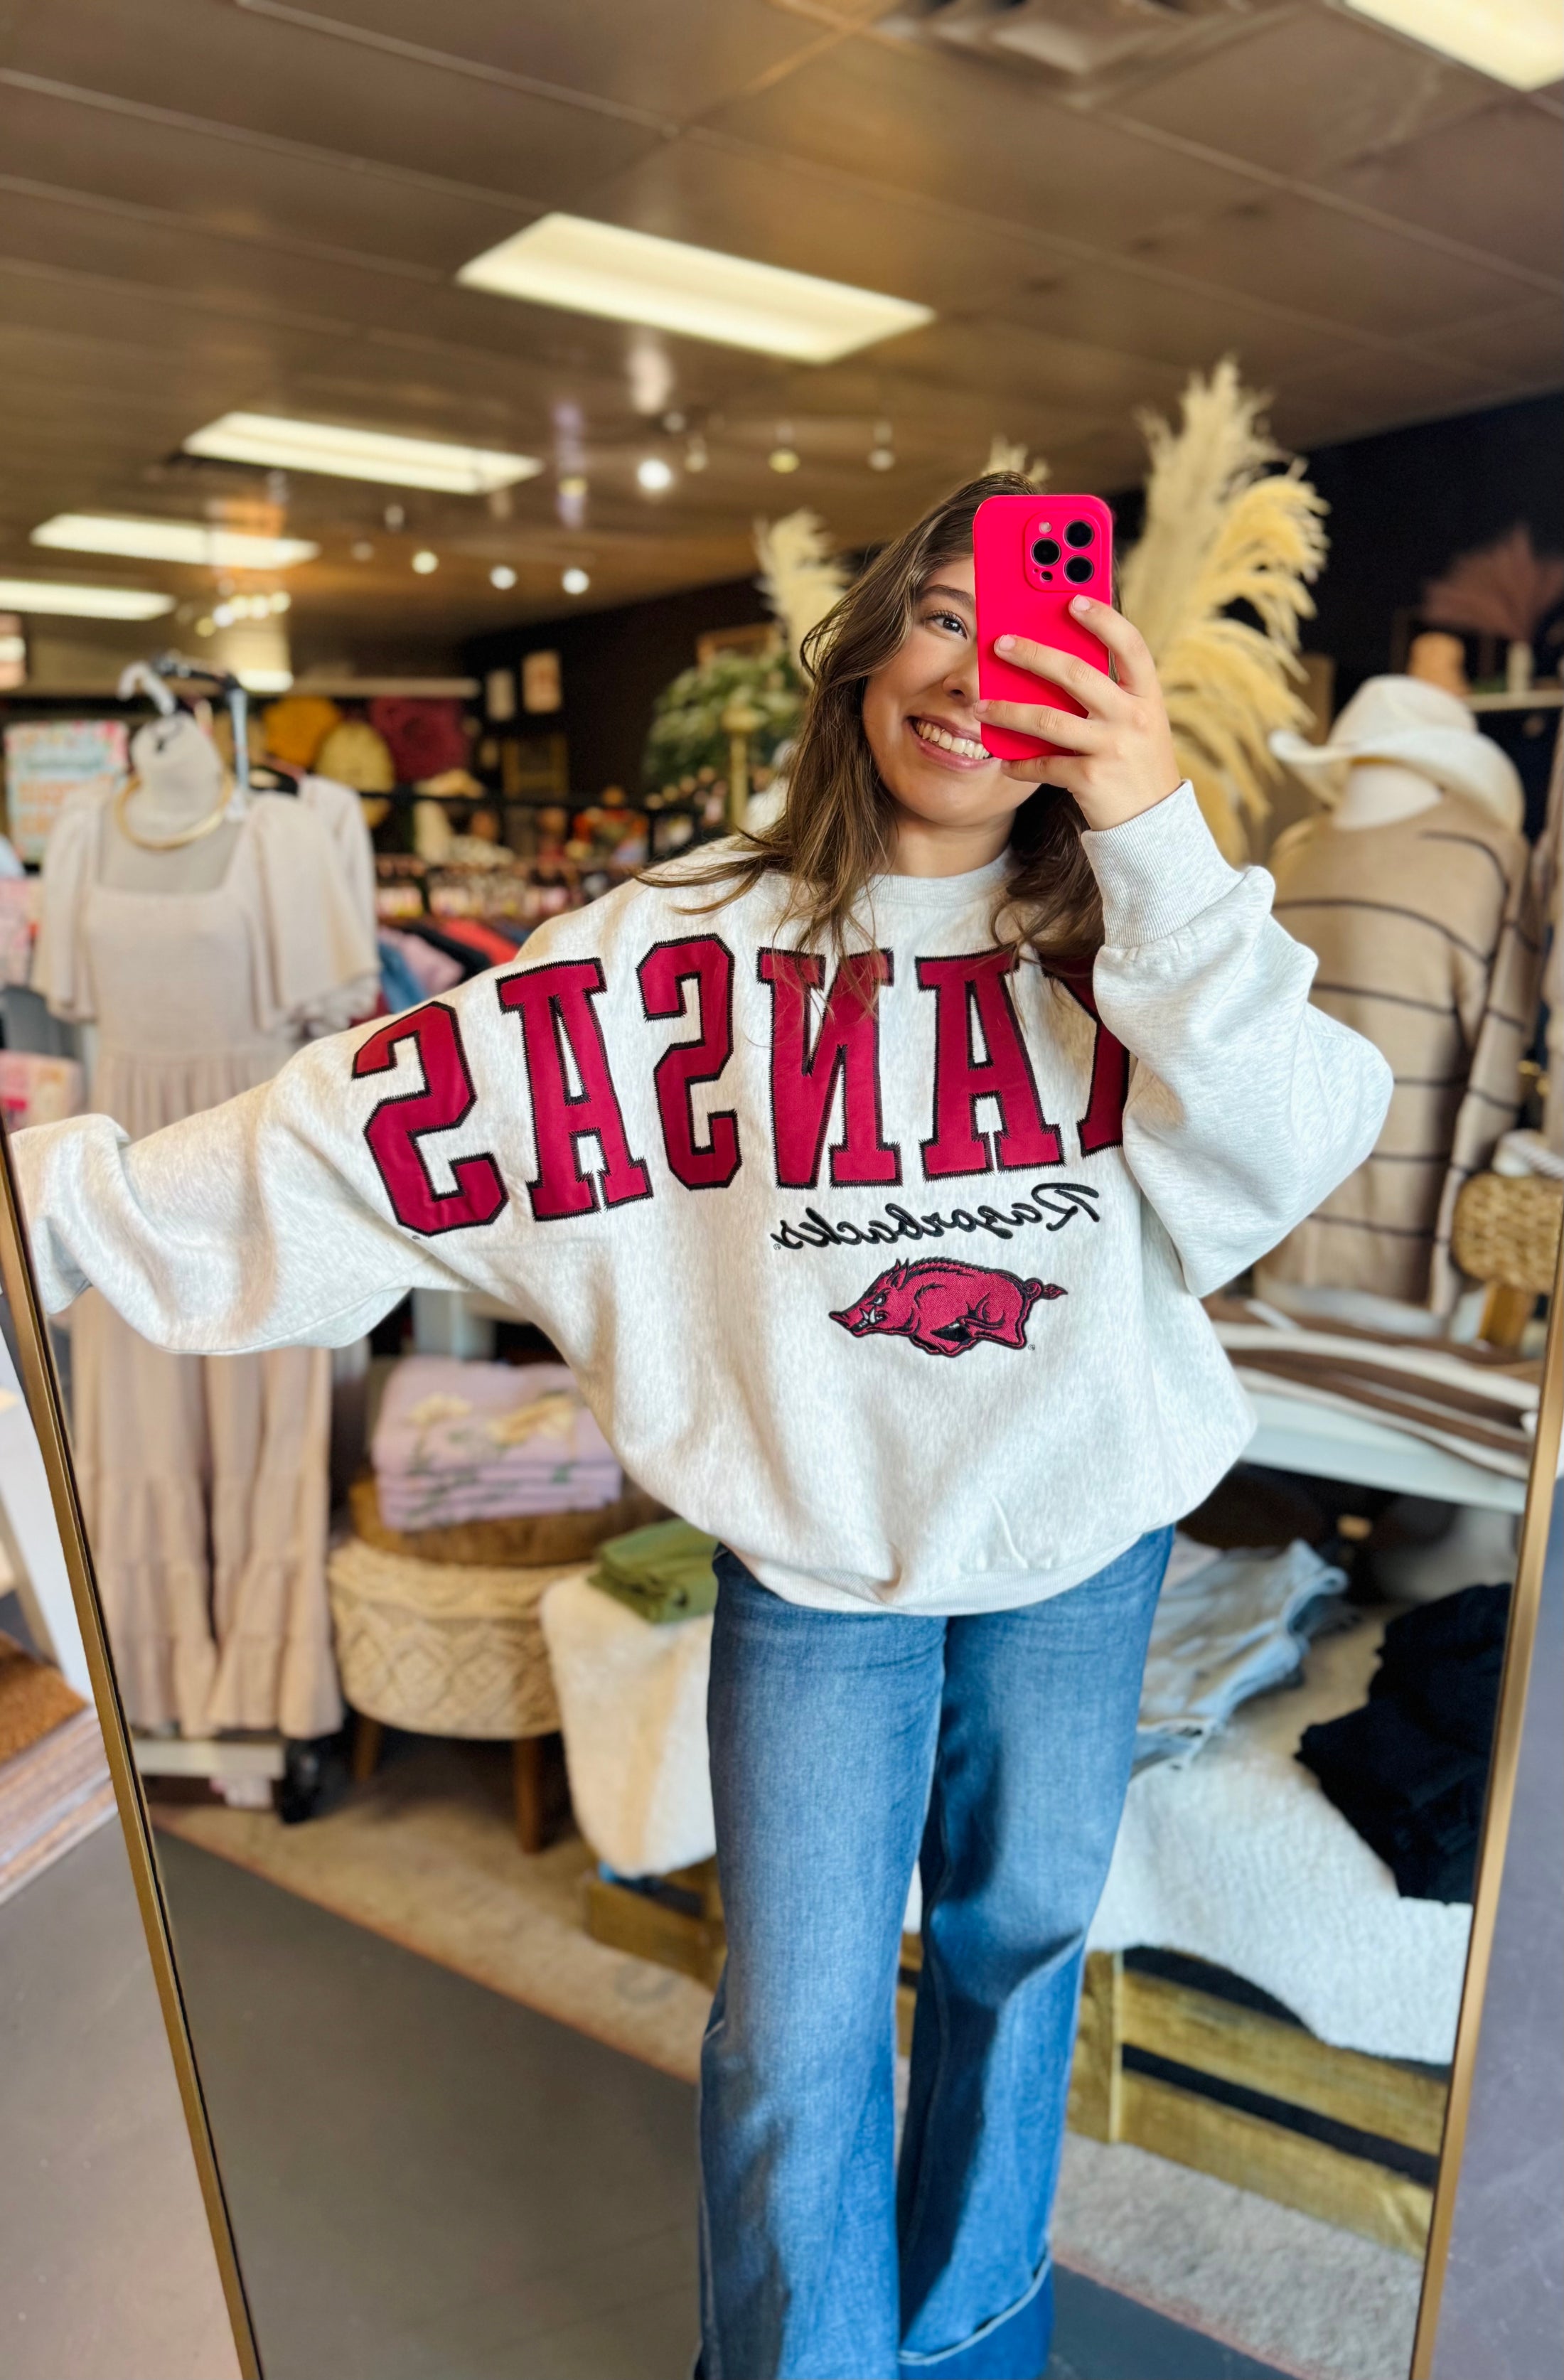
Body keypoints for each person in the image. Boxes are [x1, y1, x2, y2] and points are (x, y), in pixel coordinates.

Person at [14, 473, 1390, 2380]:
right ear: (863, 654)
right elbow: (373, 1120)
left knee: (1019, 1946)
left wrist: (1155, 828)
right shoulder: (684, 944)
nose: (973, 679)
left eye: (1034, 641)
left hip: (1081, 1534)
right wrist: (67, 1215)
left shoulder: (1140, 938)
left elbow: (1299, 1140)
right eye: (938, 618)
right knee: (803, 2009)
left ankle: (974, 2343)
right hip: (817, 1556)